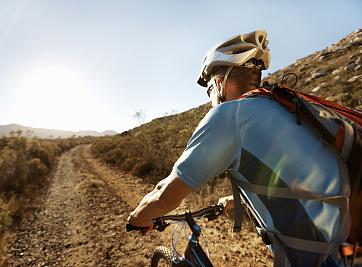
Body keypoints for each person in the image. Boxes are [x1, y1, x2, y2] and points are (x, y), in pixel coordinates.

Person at [127, 30, 346, 266]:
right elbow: (300, 175)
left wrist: (138, 218)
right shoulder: (286, 107)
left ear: (219, 84)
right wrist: (237, 199)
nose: (210, 96)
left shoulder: (229, 115)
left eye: (209, 88)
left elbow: (165, 195)